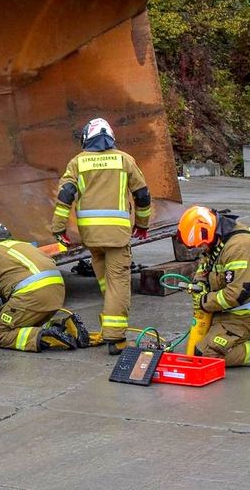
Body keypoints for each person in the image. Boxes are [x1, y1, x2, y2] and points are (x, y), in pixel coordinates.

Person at [50, 118, 152, 354]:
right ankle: (115, 338)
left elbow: (65, 196)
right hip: (117, 235)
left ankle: (110, 322)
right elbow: (142, 195)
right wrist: (142, 224)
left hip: (92, 237)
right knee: (118, 283)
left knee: (106, 282)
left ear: (86, 138)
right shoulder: (124, 160)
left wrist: (58, 229)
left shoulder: (77, 163)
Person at [177, 206, 250, 366]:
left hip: (246, 317)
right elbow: (206, 263)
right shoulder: (217, 240)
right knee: (197, 348)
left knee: (205, 356)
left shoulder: (240, 248)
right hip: (224, 312)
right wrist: (199, 282)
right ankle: (240, 340)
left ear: (207, 231)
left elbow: (236, 294)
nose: (200, 249)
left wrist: (204, 301)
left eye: (200, 245)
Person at [0, 220, 85, 352]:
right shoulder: (25, 245)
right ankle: (65, 326)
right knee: (26, 324)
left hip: (31, 296)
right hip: (57, 293)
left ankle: (43, 337)